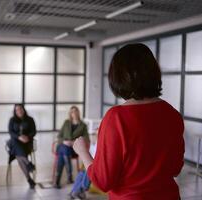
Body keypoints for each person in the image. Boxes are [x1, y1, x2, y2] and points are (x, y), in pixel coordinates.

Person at [73, 43, 184, 200]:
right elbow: (175, 168)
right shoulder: (172, 114)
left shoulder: (116, 118)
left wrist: (83, 151)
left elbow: (103, 181)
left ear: (118, 77)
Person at [55, 106, 89, 189]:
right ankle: (69, 176)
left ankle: (57, 180)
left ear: (78, 112)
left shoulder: (83, 125)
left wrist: (74, 142)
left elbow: (86, 138)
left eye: (75, 111)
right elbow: (59, 136)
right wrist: (64, 141)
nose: (74, 113)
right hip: (63, 145)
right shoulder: (66, 122)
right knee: (64, 149)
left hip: (74, 148)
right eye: (72, 111)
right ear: (70, 113)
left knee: (63, 153)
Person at [8, 104, 36, 189]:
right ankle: (28, 164)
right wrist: (19, 137)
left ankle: (29, 180)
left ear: (23, 109)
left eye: (20, 109)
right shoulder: (12, 120)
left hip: (27, 143)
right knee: (16, 144)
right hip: (15, 141)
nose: (19, 111)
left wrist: (27, 137)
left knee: (19, 156)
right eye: (16, 110)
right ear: (15, 111)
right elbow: (11, 132)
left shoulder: (30, 119)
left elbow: (34, 131)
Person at [69, 132, 98, 199]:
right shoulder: (92, 145)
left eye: (96, 135)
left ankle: (81, 189)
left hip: (95, 165)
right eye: (94, 135)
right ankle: (75, 190)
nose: (94, 137)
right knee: (81, 173)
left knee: (87, 172)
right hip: (90, 163)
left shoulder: (100, 145)